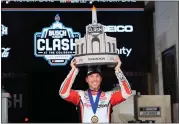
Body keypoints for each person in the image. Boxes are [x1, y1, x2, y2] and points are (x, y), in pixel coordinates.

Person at [59, 56, 132, 123]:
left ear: (101, 79)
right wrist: (74, 70)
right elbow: (63, 93)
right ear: (87, 79)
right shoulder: (80, 95)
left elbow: (127, 93)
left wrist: (118, 70)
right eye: (91, 76)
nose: (95, 79)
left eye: (97, 76)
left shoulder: (109, 96)